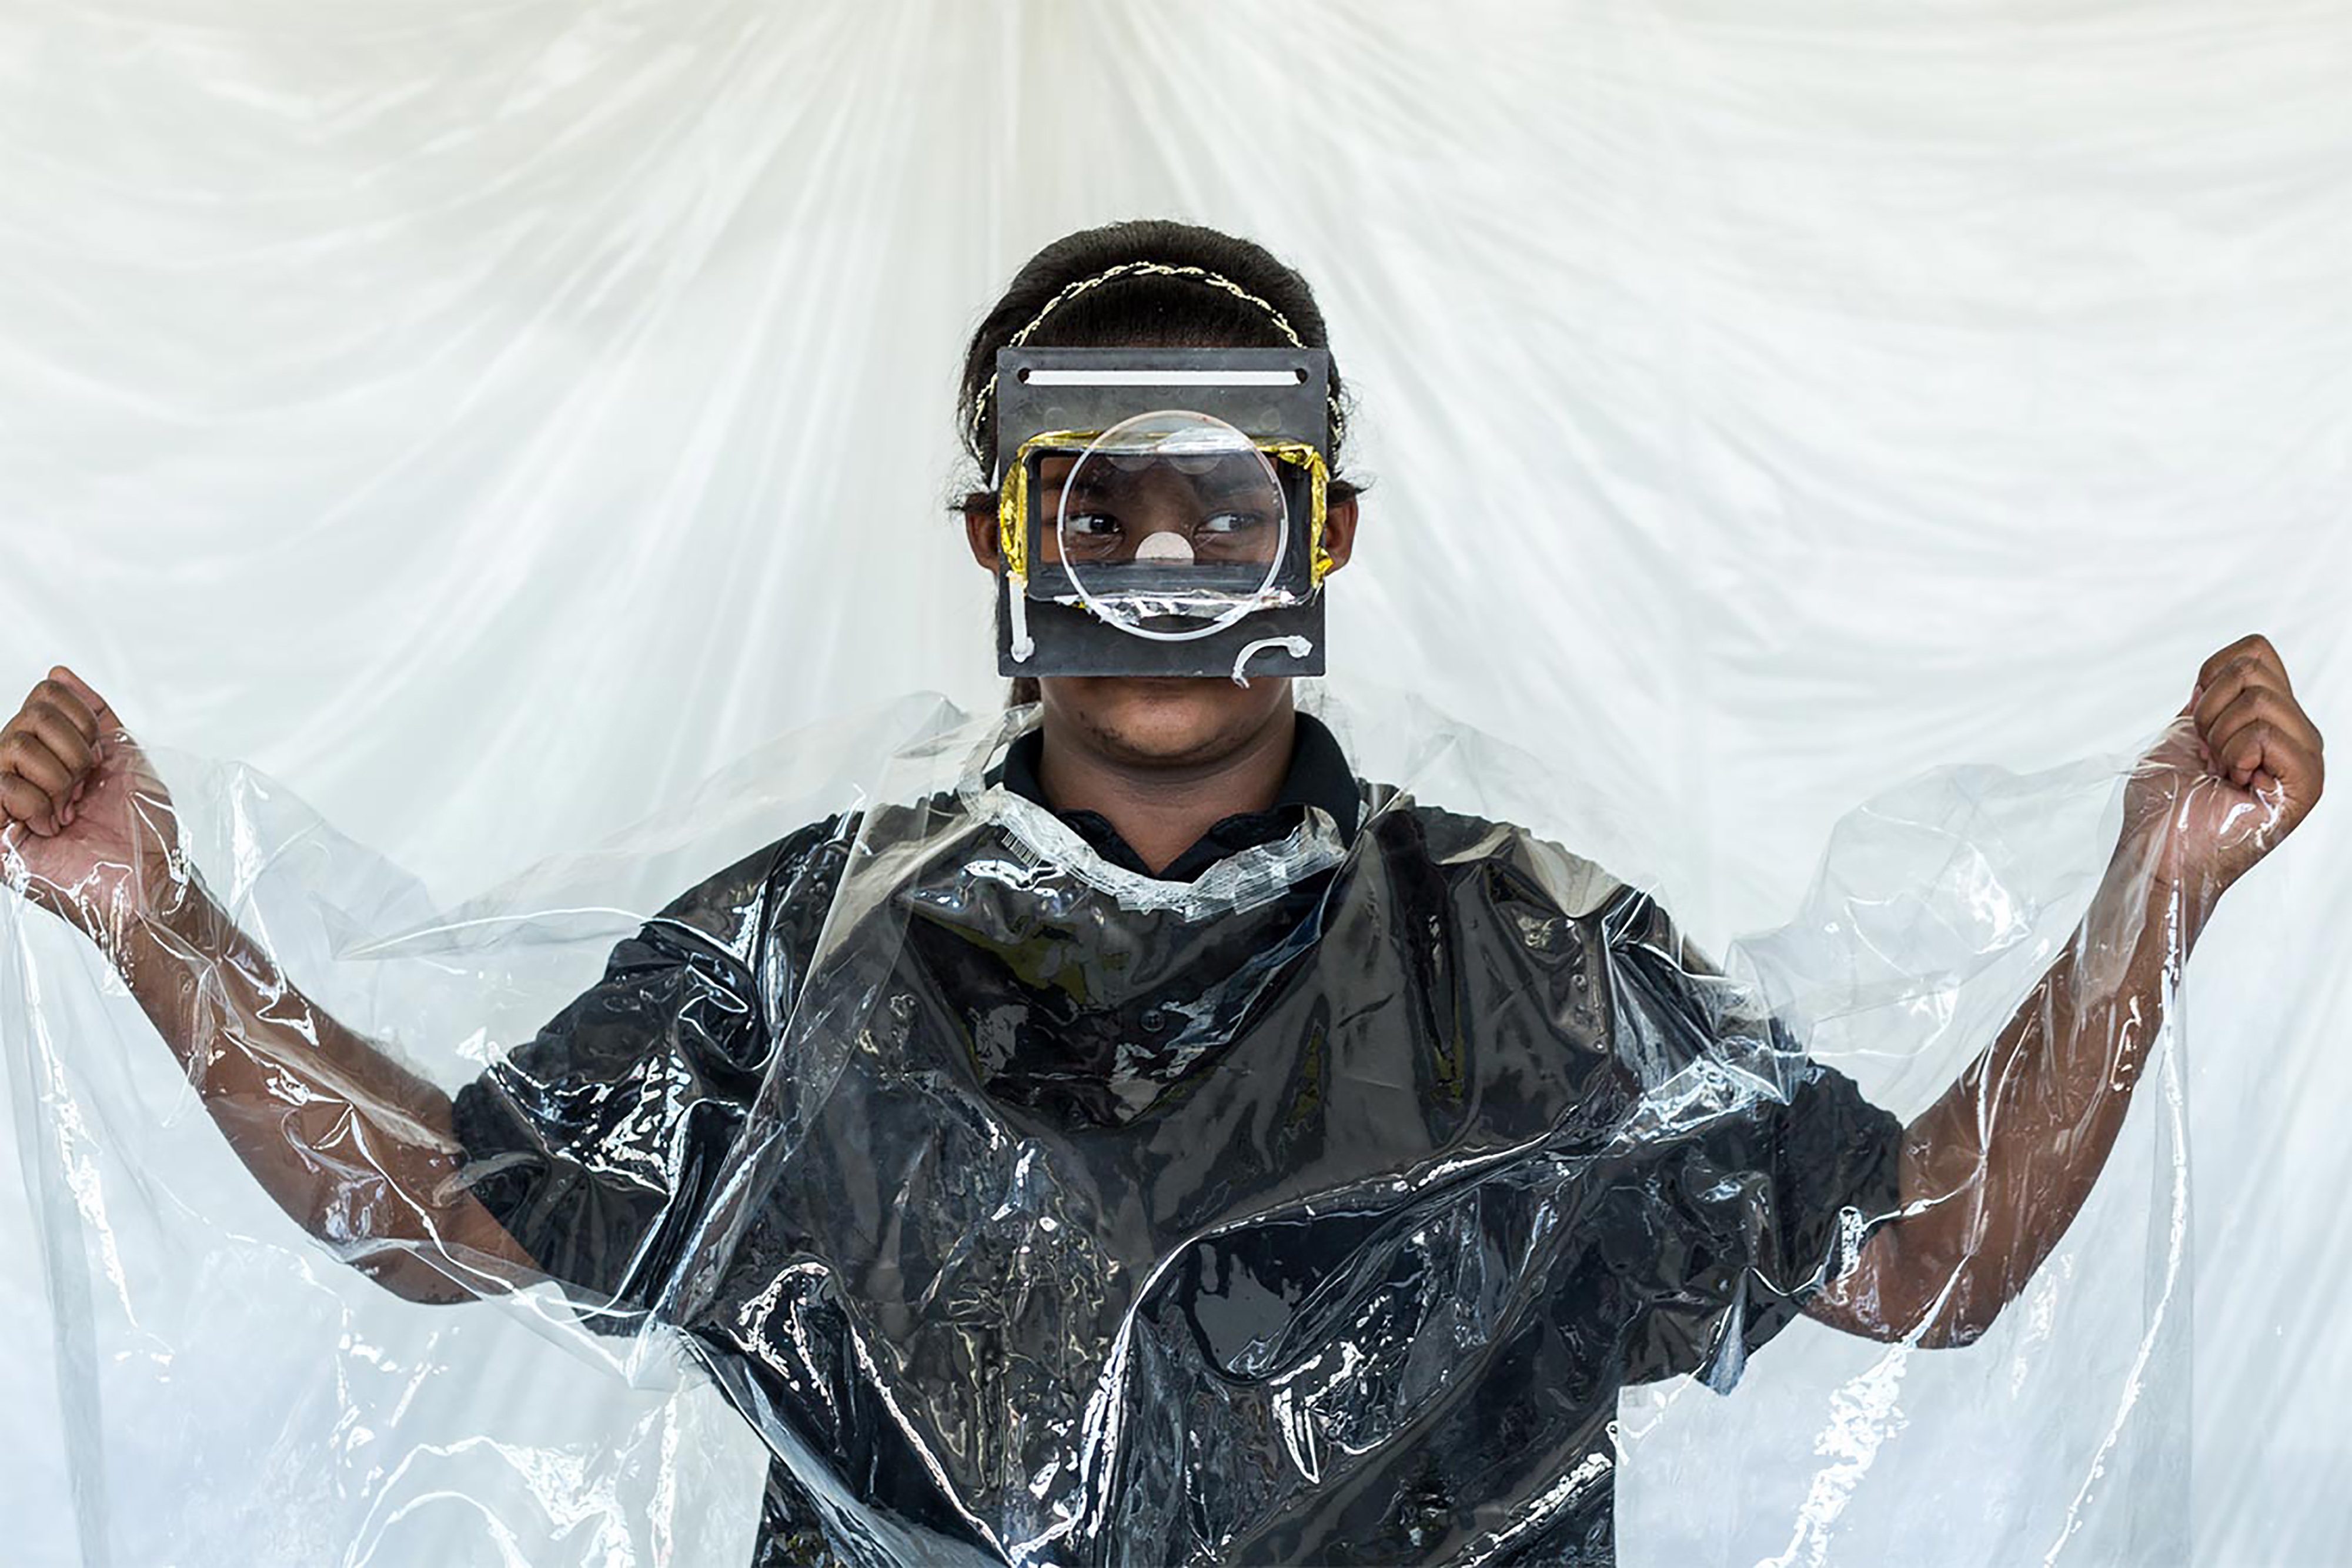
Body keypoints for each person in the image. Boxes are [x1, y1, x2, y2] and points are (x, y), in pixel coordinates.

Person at [0, 220, 2326, 1567]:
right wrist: (151, 914)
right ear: (995, 542)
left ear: (1327, 533)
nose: (1163, 559)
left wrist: (2159, 881)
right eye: (1090, 501)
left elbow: (1908, 1258)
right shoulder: (820, 950)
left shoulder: (1531, 958)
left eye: (1229, 495)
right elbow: (454, 1213)